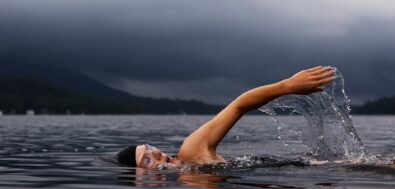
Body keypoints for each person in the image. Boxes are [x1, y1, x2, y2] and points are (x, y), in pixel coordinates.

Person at [117, 66, 336, 169]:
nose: (155, 152)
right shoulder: (188, 181)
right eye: (146, 159)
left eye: (149, 147)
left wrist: (287, 86)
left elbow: (238, 106)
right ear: (141, 179)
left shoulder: (191, 152)